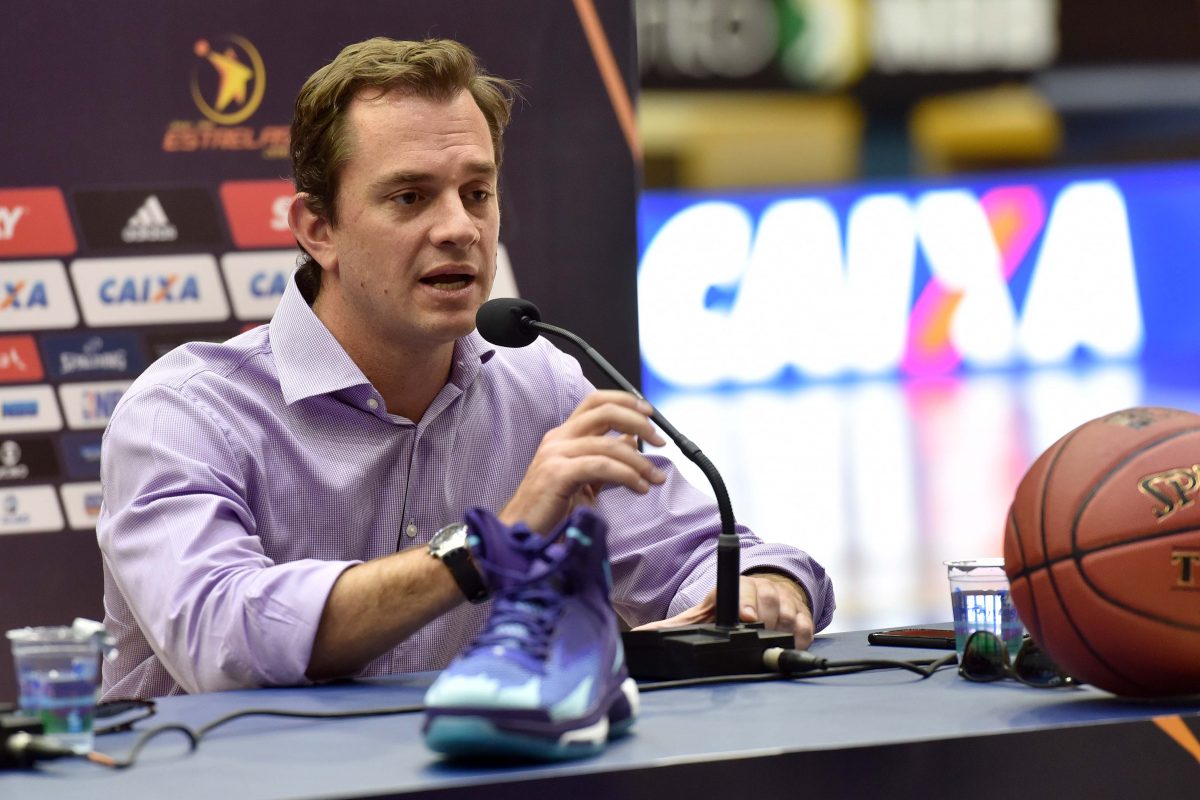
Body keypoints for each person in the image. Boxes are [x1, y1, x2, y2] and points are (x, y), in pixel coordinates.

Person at [96, 37, 834, 700]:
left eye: (477, 193)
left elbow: (702, 556)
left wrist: (759, 586)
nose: (459, 228)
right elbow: (222, 641)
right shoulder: (186, 412)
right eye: (410, 197)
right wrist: (486, 546)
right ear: (318, 229)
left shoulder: (537, 382)